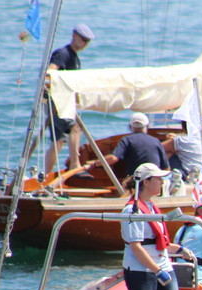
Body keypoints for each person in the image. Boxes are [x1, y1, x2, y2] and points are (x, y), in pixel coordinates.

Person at [121, 163, 193, 290]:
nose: (162, 183)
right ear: (146, 182)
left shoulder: (153, 207)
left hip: (163, 267)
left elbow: (159, 242)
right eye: (159, 179)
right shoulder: (133, 211)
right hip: (143, 272)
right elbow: (136, 247)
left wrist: (180, 250)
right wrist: (157, 271)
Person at [43, 24, 94, 175]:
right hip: (57, 102)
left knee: (58, 141)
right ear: (74, 36)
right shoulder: (63, 53)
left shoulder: (75, 58)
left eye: (87, 41)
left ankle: (47, 174)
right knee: (75, 128)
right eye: (83, 39)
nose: (84, 43)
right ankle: (74, 165)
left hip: (64, 102)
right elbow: (50, 72)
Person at [91, 113, 169, 182]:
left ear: (130, 126)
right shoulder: (156, 141)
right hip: (153, 182)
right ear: (147, 126)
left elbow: (113, 158)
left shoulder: (127, 140)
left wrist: (95, 163)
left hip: (136, 182)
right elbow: (166, 168)